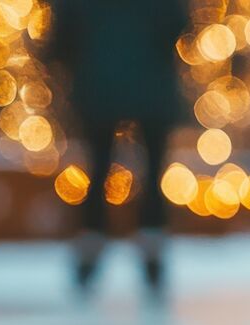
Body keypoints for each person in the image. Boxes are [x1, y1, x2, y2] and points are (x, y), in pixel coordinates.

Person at [45, 0, 190, 297]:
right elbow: (177, 22)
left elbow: (64, 29)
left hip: (99, 80)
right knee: (151, 173)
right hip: (150, 82)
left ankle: (91, 249)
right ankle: (150, 251)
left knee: (98, 169)